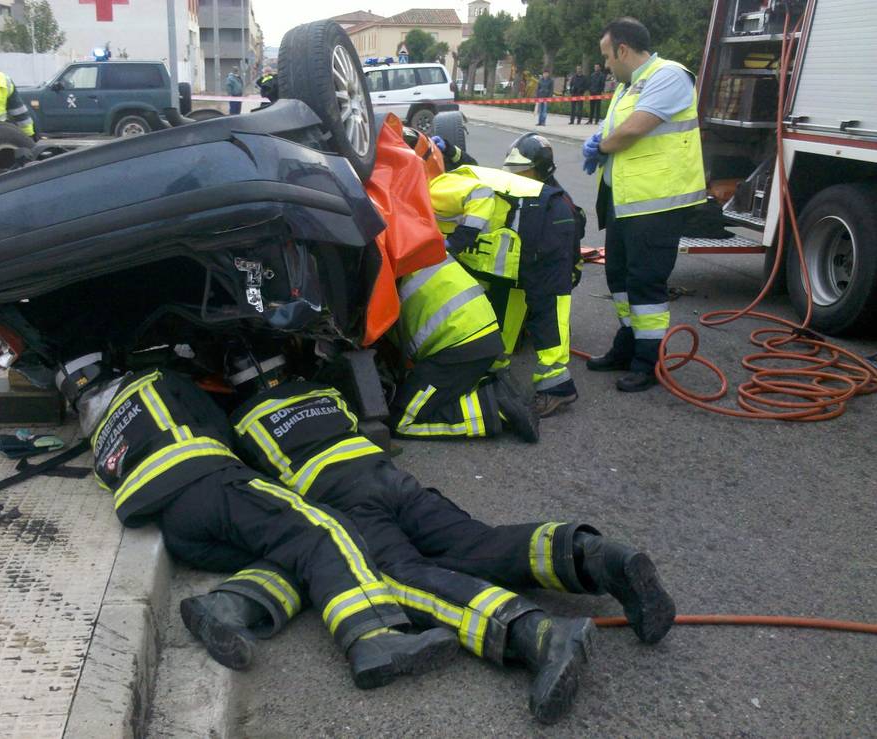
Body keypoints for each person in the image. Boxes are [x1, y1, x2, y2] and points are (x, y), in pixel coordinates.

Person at [223, 359, 675, 724]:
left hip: (346, 503)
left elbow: (262, 503)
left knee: (402, 576)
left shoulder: (243, 424)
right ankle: (598, 557)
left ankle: (538, 635)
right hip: (396, 483)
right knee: (476, 543)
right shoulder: (326, 396)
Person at [56, 352, 459, 690]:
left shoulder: (101, 431)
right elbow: (219, 426)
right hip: (211, 485)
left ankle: (225, 607)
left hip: (177, 527)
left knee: (295, 552)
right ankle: (374, 637)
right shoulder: (155, 381)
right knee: (326, 531)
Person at [582, 17, 705, 392]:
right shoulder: (627, 85)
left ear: (622, 50)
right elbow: (615, 127)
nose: (605, 65)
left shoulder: (668, 76)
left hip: (656, 203)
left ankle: (648, 360)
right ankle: (628, 342)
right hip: (626, 200)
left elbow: (634, 129)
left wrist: (601, 147)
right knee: (618, 276)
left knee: (645, 282)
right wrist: (599, 138)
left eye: (606, 56)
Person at [427, 135, 583, 418]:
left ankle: (557, 386)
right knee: (505, 293)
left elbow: (480, 196)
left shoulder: (434, 189)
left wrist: (455, 243)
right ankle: (496, 365)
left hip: (545, 221)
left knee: (546, 304)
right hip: (529, 225)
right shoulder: (452, 179)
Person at [387, 250, 539, 443]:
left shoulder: (378, 260)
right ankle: (489, 384)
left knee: (401, 421)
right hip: (481, 330)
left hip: (458, 344)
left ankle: (495, 407)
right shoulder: (415, 241)